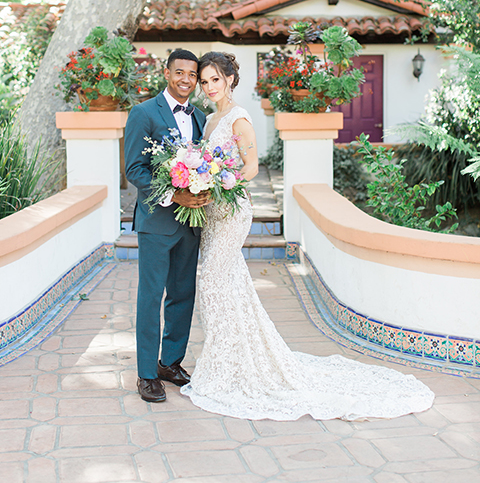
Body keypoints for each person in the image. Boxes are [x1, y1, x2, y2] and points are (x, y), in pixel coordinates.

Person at [180, 51, 435, 421]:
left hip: (233, 210)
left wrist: (218, 182)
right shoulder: (210, 119)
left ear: (231, 79)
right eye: (204, 81)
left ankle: (229, 364)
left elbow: (250, 168)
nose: (209, 87)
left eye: (215, 79)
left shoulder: (239, 119)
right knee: (225, 283)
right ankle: (231, 359)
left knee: (212, 280)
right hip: (212, 213)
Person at [124, 49, 209, 403]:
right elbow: (134, 169)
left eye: (192, 74)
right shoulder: (143, 113)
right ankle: (146, 373)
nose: (186, 79)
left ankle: (169, 363)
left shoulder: (202, 116)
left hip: (192, 225)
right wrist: (175, 197)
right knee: (150, 297)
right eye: (180, 72)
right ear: (167, 72)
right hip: (157, 222)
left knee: (182, 295)